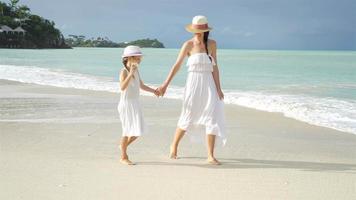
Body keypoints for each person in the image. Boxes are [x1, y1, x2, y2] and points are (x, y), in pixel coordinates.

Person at [157, 16, 226, 165]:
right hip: (193, 84)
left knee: (211, 117)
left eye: (200, 31)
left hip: (209, 85)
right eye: (195, 31)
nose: (197, 33)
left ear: (205, 30)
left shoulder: (212, 44)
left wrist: (219, 88)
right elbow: (176, 65)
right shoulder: (188, 45)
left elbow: (215, 67)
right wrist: (165, 85)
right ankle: (174, 145)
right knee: (188, 115)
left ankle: (210, 155)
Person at [118, 45, 160, 165]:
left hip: (135, 103)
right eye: (137, 57)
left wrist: (154, 91)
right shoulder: (124, 72)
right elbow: (122, 87)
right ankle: (123, 157)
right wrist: (130, 73)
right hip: (126, 104)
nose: (139, 60)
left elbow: (141, 86)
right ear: (128, 58)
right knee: (126, 131)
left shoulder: (136, 70)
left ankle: (123, 146)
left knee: (138, 131)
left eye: (139, 57)